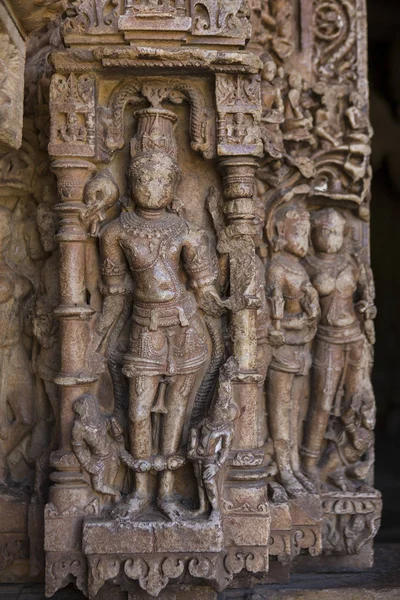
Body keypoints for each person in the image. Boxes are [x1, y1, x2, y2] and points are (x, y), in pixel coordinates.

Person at [97, 149, 222, 520]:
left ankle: (166, 492)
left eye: (161, 180)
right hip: (145, 328)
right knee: (137, 410)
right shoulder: (115, 232)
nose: (151, 187)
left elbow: (204, 289)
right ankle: (138, 490)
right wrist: (98, 333)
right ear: (132, 184)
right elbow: (115, 291)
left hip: (183, 328)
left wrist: (231, 304)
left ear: (172, 186)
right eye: (143, 179)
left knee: (176, 414)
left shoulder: (187, 232)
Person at [301, 208, 376, 490]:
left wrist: (366, 306)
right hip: (326, 339)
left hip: (354, 338)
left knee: (356, 402)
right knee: (321, 401)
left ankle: (337, 464)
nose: (332, 238)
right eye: (326, 231)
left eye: (337, 232)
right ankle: (308, 464)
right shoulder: (307, 265)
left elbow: (365, 296)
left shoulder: (352, 263)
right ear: (315, 233)